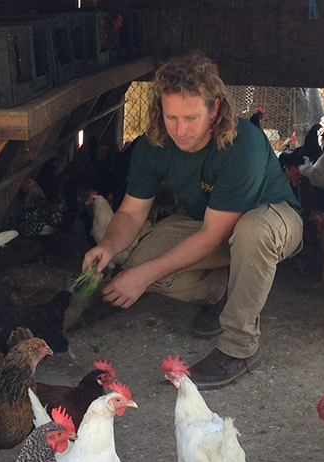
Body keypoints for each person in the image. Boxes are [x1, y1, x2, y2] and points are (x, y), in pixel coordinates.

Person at [82, 52, 303, 389]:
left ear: (215, 110)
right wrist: (108, 246)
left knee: (251, 232)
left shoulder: (242, 144)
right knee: (140, 263)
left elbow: (212, 236)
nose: (180, 131)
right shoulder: (152, 144)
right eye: (171, 117)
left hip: (272, 220)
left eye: (191, 118)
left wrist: (142, 277)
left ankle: (239, 348)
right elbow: (130, 212)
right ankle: (223, 292)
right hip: (209, 224)